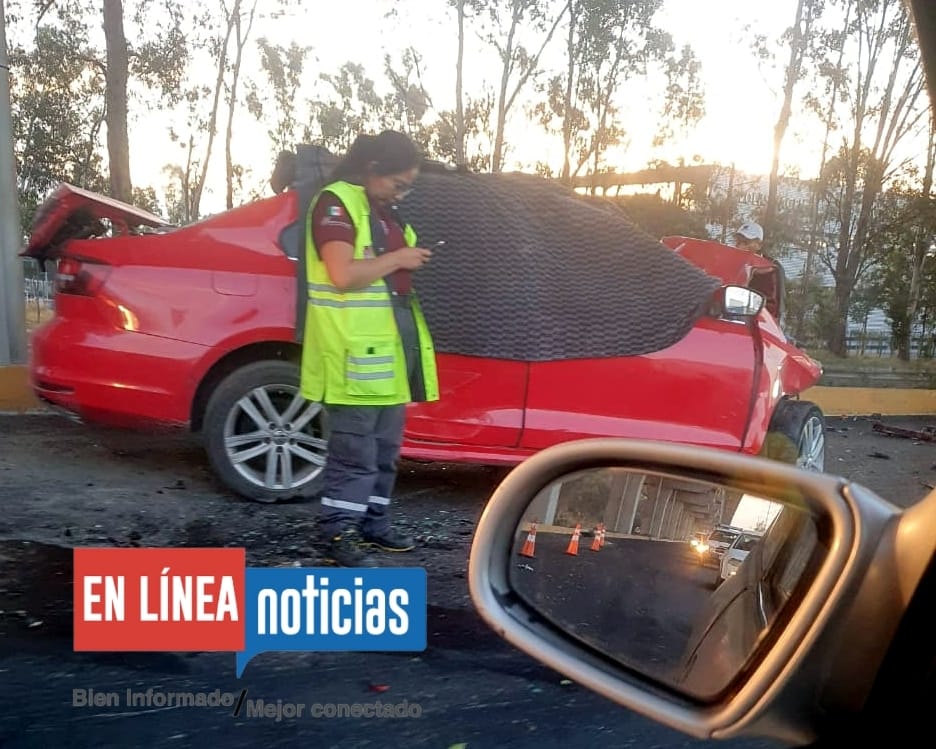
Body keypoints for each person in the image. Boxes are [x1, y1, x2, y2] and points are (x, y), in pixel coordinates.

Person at [300, 130, 440, 567]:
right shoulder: (335, 203)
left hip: (389, 359)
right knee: (354, 458)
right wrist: (400, 259)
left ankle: (372, 526)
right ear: (373, 169)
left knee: (383, 457)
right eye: (399, 184)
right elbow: (342, 275)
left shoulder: (383, 212)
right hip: (352, 358)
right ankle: (336, 535)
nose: (403, 193)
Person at [733, 221, 787, 328]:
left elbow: (774, 305)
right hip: (732, 316)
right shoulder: (732, 261)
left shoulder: (769, 268)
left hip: (759, 323)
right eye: (739, 241)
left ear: (759, 245)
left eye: (746, 242)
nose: (741, 246)